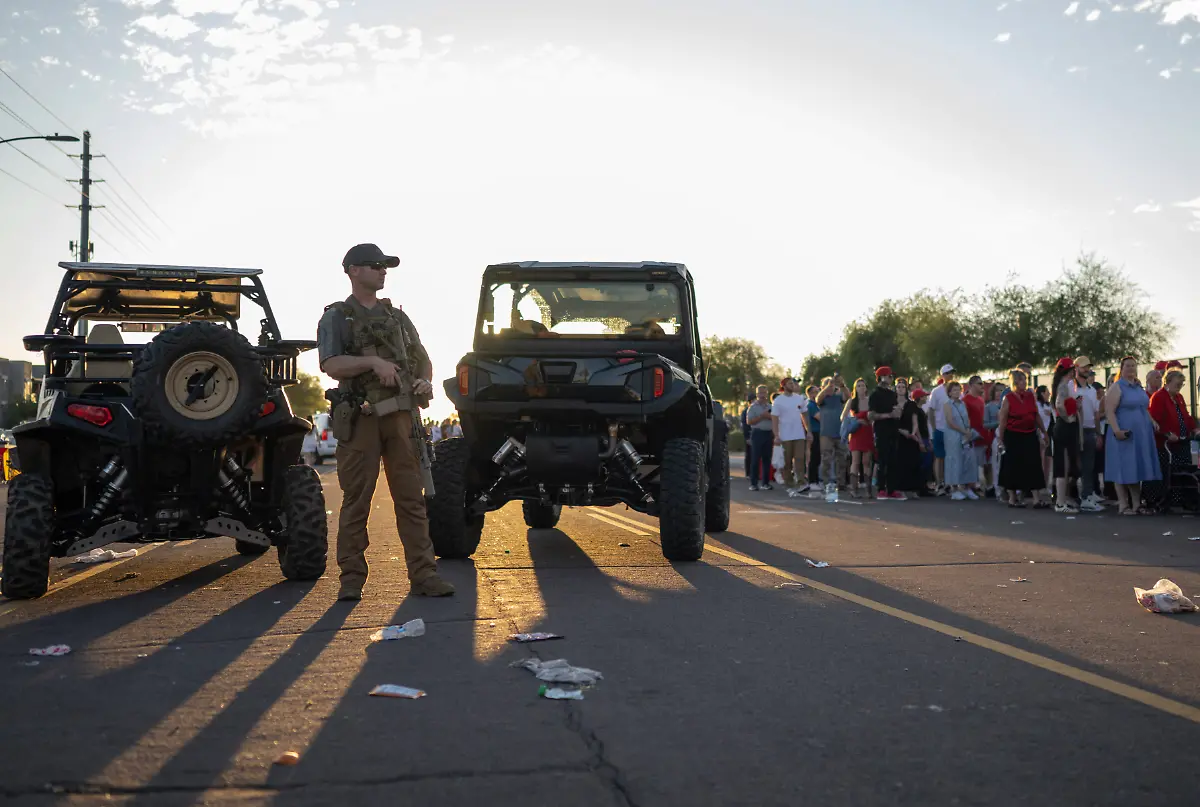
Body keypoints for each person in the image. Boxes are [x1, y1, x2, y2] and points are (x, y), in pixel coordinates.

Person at [318, 243, 455, 601]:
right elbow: (331, 365)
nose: (382, 271)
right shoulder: (337, 316)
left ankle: (424, 576)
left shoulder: (397, 317)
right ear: (352, 270)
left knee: (411, 500)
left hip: (401, 418)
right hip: (361, 419)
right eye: (374, 265)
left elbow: (421, 358)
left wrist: (423, 380)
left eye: (384, 266)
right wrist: (373, 364)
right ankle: (351, 580)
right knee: (356, 501)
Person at [1104, 356, 1161, 515]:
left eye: (1133, 366)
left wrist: (1152, 421)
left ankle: (1136, 504)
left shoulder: (1137, 387)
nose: (1131, 368)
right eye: (1127, 366)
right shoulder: (1117, 387)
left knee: (1135, 469)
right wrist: (1117, 431)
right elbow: (1110, 411)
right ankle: (1123, 505)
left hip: (1140, 435)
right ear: (1121, 368)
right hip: (1124, 434)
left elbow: (1143, 407)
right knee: (1122, 469)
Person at [1145, 370, 1200, 511]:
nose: (1179, 387)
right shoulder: (1159, 397)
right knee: (1168, 471)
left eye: (1181, 385)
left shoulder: (1179, 398)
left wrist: (1194, 429)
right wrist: (1166, 433)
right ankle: (1163, 499)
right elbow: (1154, 421)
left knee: (1186, 468)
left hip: (1181, 441)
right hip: (1165, 443)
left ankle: (1186, 499)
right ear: (1168, 382)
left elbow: (1186, 417)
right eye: (1177, 384)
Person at [997, 367, 1048, 508]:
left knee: (1034, 464)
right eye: (1020, 380)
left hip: (1029, 433)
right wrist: (1000, 439)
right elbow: (1003, 420)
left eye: (1025, 380)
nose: (1024, 383)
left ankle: (1037, 499)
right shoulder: (1008, 398)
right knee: (1012, 465)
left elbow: (1035, 414)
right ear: (1015, 382)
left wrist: (1044, 431)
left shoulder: (1030, 396)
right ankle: (1013, 498)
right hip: (1013, 435)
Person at [1049, 357, 1085, 514]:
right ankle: (1060, 502)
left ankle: (1062, 500)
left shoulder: (1064, 386)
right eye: (1071, 370)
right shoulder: (1063, 386)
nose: (1073, 373)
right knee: (1063, 466)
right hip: (1064, 427)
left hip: (1065, 427)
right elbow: (1059, 405)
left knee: (1066, 465)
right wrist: (1068, 418)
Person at [868, 366, 905, 500]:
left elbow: (896, 410)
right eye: (889, 376)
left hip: (893, 429)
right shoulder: (875, 395)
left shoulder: (892, 394)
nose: (891, 379)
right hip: (881, 430)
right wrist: (888, 415)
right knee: (882, 460)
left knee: (893, 460)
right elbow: (871, 415)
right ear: (882, 377)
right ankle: (881, 489)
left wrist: (897, 412)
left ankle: (892, 489)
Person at [1073, 357, 1103, 510]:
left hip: (1090, 430)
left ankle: (1087, 496)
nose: (1087, 370)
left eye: (1088, 367)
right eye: (1084, 367)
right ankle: (1072, 497)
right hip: (1075, 429)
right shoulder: (1071, 387)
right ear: (1076, 368)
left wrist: (1098, 434)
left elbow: (1096, 414)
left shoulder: (1092, 390)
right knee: (1074, 466)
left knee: (1089, 465)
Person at [771, 377, 811, 496]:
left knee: (800, 459)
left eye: (793, 383)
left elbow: (805, 415)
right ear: (783, 386)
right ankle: (789, 484)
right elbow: (774, 419)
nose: (792, 385)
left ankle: (801, 483)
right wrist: (776, 435)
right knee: (787, 462)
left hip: (798, 434)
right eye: (789, 383)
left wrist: (809, 431)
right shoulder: (778, 400)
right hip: (785, 435)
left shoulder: (799, 398)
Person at [816, 374, 850, 499]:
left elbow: (848, 397)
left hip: (840, 432)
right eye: (828, 385)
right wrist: (826, 388)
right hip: (826, 433)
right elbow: (818, 399)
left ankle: (841, 483)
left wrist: (842, 385)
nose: (831, 388)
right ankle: (826, 482)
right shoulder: (823, 399)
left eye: (832, 385)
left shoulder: (838, 397)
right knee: (826, 458)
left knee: (842, 459)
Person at [925, 364, 955, 494]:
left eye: (952, 373)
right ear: (942, 375)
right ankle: (940, 483)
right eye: (948, 373)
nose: (950, 375)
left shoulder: (957, 390)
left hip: (953, 429)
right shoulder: (936, 391)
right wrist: (934, 428)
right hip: (940, 428)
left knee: (952, 457)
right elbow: (931, 411)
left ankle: (950, 483)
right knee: (939, 457)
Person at [843, 378, 875, 498]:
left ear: (866, 388)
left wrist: (871, 417)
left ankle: (868, 489)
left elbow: (873, 417)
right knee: (855, 461)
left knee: (866, 462)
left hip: (867, 432)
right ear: (855, 388)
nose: (861, 388)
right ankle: (853, 489)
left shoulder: (870, 401)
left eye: (863, 385)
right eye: (858, 386)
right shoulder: (852, 401)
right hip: (856, 433)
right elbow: (843, 417)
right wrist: (856, 420)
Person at [894, 378, 926, 497]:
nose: (901, 389)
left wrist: (914, 435)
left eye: (903, 387)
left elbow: (915, 422)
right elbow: (892, 422)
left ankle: (913, 489)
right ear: (895, 389)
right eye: (899, 387)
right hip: (898, 436)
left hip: (911, 437)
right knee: (899, 463)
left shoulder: (911, 404)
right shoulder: (892, 404)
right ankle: (900, 489)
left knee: (913, 462)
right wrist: (902, 432)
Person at [746, 385, 775, 491]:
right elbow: (749, 421)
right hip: (757, 434)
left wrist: (770, 416)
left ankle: (765, 483)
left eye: (764, 393)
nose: (762, 395)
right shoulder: (753, 407)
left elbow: (776, 418)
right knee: (755, 459)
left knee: (767, 459)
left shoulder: (771, 407)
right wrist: (762, 416)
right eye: (760, 393)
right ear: (757, 394)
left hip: (768, 434)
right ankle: (753, 483)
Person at [962, 375, 988, 498]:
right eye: (979, 383)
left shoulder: (981, 400)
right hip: (971, 436)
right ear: (971, 385)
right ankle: (968, 487)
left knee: (980, 463)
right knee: (971, 463)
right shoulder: (966, 400)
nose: (982, 386)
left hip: (982, 436)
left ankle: (978, 486)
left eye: (982, 383)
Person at [984, 383, 1005, 498]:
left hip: (1008, 438)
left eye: (1001, 390)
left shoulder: (1007, 404)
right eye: (997, 391)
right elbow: (985, 425)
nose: (999, 393)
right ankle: (998, 490)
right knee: (996, 466)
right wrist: (999, 423)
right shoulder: (988, 407)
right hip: (995, 438)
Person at [1036, 385, 1054, 495]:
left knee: (1048, 462)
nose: (1049, 394)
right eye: (1047, 392)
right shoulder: (1037, 405)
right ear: (1042, 393)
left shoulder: (1049, 405)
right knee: (1040, 462)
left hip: (1049, 435)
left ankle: (1046, 485)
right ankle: (1039, 486)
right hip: (1040, 436)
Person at [805, 384, 823, 488]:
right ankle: (812, 481)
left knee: (817, 458)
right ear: (811, 394)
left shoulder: (815, 405)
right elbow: (820, 417)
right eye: (816, 392)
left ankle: (816, 480)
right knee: (814, 457)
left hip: (819, 432)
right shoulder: (810, 405)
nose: (818, 393)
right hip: (814, 432)